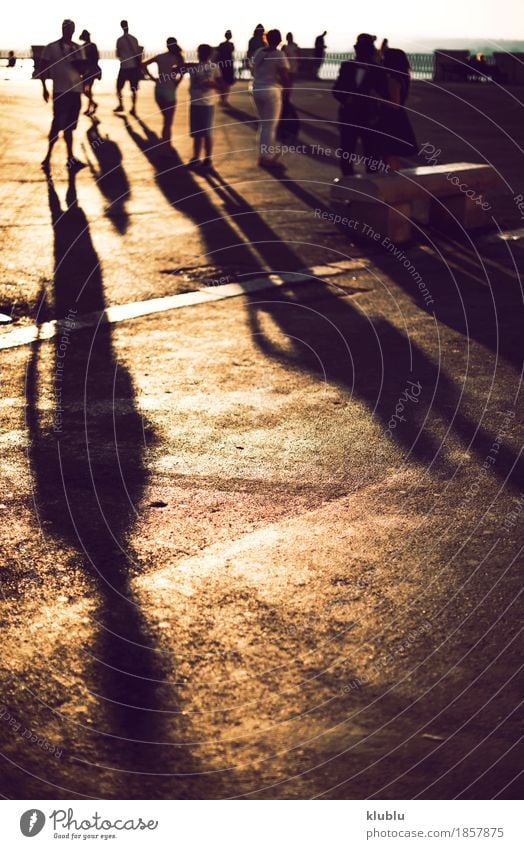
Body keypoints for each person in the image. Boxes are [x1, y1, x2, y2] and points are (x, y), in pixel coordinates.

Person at [332, 32, 388, 176]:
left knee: (372, 155)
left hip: (370, 117)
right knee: (347, 153)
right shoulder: (347, 66)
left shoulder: (378, 69)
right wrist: (346, 99)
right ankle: (348, 185)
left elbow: (384, 93)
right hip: (349, 115)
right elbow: (336, 89)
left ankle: (372, 189)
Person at [38, 19, 86, 173]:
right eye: (66, 28)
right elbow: (43, 68)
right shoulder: (51, 48)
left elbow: (83, 70)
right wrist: (44, 88)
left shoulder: (78, 48)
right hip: (61, 91)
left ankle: (70, 157)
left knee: (70, 127)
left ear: (73, 30)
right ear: (62, 29)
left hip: (75, 91)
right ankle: (48, 156)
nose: (68, 31)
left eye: (70, 28)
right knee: (56, 124)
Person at [251, 28, 290, 170]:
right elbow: (285, 75)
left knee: (263, 124)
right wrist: (287, 91)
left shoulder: (259, 52)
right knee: (270, 126)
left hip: (256, 89)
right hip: (271, 91)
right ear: (279, 40)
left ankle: (262, 155)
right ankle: (266, 157)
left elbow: (252, 70)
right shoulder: (279, 54)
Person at [378, 47, 417, 170]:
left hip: (391, 118)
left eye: (384, 58)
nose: (382, 60)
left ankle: (393, 181)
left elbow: (395, 103)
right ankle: (393, 180)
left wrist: (375, 96)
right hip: (398, 117)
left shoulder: (393, 79)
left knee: (390, 154)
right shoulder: (402, 76)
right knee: (390, 154)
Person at [142, 38, 184, 149]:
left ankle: (166, 142)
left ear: (167, 45)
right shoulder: (178, 58)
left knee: (166, 119)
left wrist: (152, 78)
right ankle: (166, 146)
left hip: (158, 90)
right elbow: (182, 72)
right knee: (168, 122)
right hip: (169, 91)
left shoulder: (160, 57)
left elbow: (143, 65)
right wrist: (177, 83)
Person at [185, 44, 221, 170]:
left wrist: (212, 84)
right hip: (195, 103)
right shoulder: (193, 67)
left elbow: (221, 86)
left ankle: (208, 158)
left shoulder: (213, 67)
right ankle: (196, 157)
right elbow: (176, 69)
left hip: (207, 104)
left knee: (206, 133)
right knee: (197, 133)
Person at [114, 20, 142, 115]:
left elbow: (118, 54)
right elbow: (138, 52)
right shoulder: (134, 39)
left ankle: (121, 105)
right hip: (134, 67)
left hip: (124, 67)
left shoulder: (120, 40)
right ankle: (133, 108)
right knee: (133, 89)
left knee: (118, 88)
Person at [79, 30, 101, 116]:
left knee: (84, 89)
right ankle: (90, 106)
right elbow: (96, 59)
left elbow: (83, 60)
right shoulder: (92, 46)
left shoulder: (84, 47)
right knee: (88, 89)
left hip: (88, 71)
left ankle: (92, 105)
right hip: (93, 70)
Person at [217, 30, 235, 106]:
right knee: (227, 83)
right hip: (229, 65)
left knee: (222, 82)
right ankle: (225, 99)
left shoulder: (221, 45)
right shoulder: (231, 45)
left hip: (222, 64)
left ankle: (222, 98)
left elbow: (218, 54)